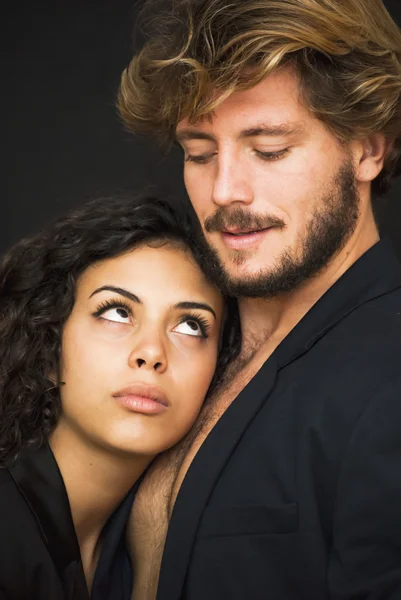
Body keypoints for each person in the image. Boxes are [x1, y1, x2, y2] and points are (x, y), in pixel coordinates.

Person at [96, 0, 401, 599]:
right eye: (200, 154)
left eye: (268, 150)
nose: (224, 190)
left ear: (367, 149)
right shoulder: (177, 345)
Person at [0, 194, 240, 599]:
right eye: (116, 312)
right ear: (48, 341)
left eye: (191, 326)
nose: (151, 353)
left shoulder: (158, 545)